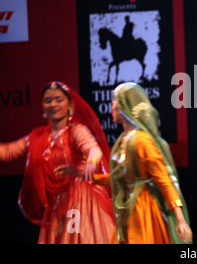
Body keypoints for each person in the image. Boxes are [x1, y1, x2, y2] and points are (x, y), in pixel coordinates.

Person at [0, 81, 115, 243]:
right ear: (43, 107)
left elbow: (93, 149)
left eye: (58, 100)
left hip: (81, 198)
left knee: (78, 238)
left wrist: (91, 162)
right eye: (48, 101)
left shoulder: (76, 131)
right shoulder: (38, 136)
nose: (53, 104)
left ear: (70, 105)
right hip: (58, 202)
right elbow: (8, 151)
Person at [93, 82, 192, 244]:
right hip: (127, 211)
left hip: (143, 213)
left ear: (125, 105)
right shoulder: (123, 140)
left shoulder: (141, 141)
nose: (111, 106)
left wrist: (180, 219)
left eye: (114, 101)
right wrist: (91, 177)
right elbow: (121, 179)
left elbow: (164, 180)